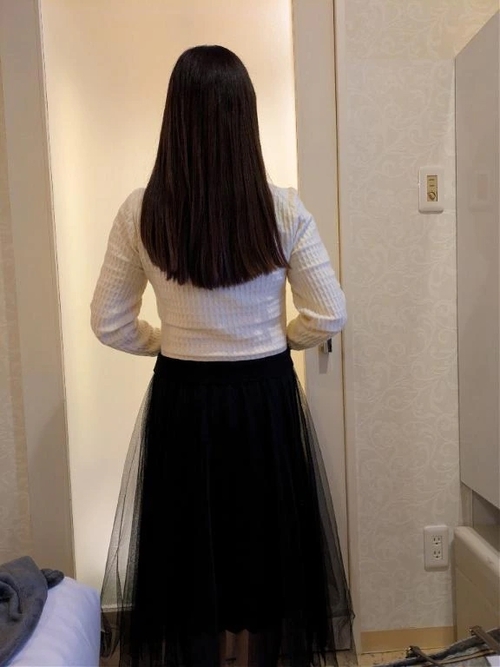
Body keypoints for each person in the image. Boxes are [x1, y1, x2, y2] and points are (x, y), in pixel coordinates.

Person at [91, 45, 353, 667]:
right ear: (246, 118)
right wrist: (275, 339)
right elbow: (329, 314)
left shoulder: (141, 211)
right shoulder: (282, 209)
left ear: (175, 118)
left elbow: (108, 323)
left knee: (187, 554)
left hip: (183, 402)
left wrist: (169, 342)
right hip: (265, 401)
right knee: (264, 552)